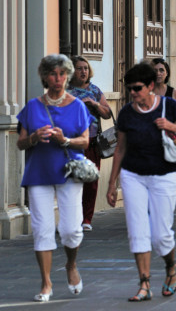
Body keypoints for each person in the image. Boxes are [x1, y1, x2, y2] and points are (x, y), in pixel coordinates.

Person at [106, 62, 176, 301]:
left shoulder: (168, 105)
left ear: (149, 86)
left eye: (137, 88)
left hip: (163, 175)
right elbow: (120, 149)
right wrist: (111, 184)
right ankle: (144, 284)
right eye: (129, 89)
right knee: (137, 231)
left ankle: (170, 267)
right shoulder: (126, 112)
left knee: (161, 234)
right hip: (133, 175)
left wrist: (172, 126)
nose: (133, 93)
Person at [16, 54, 92, 302]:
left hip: (69, 172)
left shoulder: (77, 105)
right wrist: (34, 139)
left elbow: (85, 141)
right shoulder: (32, 106)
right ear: (44, 77)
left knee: (71, 229)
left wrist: (65, 140)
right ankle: (46, 282)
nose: (58, 79)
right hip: (39, 172)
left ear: (67, 76)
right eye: (52, 74)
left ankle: (71, 265)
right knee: (42, 229)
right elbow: (20, 143)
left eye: (62, 74)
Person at [67, 56, 112, 232]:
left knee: (90, 181)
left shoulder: (94, 90)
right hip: (71, 143)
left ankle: (86, 218)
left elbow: (108, 113)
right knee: (71, 181)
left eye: (85, 68)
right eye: (79, 68)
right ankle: (71, 218)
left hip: (92, 141)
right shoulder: (66, 91)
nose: (83, 71)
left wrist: (93, 103)